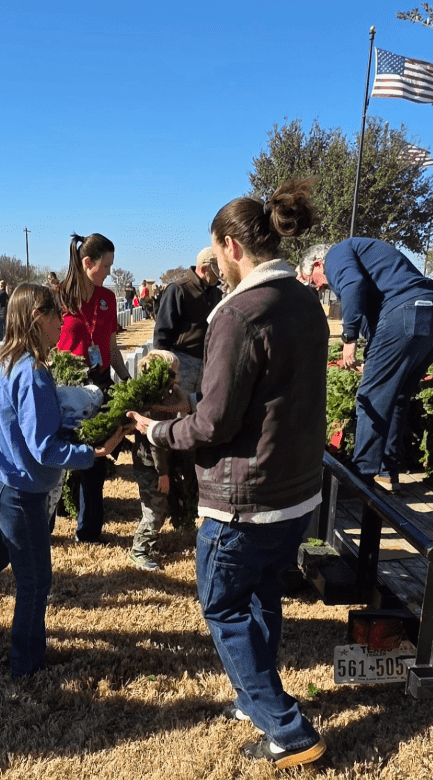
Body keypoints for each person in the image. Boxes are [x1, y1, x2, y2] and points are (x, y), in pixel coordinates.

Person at [128, 178, 330, 770]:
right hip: (295, 490)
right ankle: (252, 700)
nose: (216, 266)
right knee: (262, 594)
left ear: (231, 245)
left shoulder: (241, 313)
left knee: (223, 606)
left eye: (216, 255)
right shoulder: (303, 300)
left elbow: (213, 423)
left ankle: (288, 729)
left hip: (247, 496)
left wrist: (159, 431)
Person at [0, 283, 125, 678]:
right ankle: (26, 664)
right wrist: (92, 453)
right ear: (36, 318)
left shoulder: (7, 359)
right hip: (17, 489)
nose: (62, 321)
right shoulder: (31, 371)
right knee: (35, 579)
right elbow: (44, 447)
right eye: (55, 314)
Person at [320, 237, 433, 492]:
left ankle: (360, 480)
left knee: (371, 396)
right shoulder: (368, 258)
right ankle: (386, 473)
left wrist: (349, 337)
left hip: (407, 310)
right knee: (398, 395)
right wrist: (374, 353)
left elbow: (352, 284)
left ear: (317, 263)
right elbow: (377, 313)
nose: (322, 284)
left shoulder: (335, 253)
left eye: (314, 279)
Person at [56, 232, 131, 543]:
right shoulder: (59, 297)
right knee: (58, 458)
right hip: (66, 387)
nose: (110, 272)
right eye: (106, 265)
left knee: (95, 461)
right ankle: (51, 515)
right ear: (87, 263)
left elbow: (110, 344)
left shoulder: (107, 298)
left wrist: (125, 379)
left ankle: (89, 531)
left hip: (99, 383)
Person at [127, 350, 181, 571]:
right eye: (175, 373)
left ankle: (147, 546)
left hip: (151, 464)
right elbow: (155, 443)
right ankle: (139, 552)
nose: (179, 377)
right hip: (151, 465)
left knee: (157, 508)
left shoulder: (160, 396)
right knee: (154, 512)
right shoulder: (155, 403)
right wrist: (163, 474)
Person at [153, 247, 223, 396]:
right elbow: (162, 330)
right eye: (215, 272)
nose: (220, 276)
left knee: (198, 412)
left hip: (205, 362)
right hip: (181, 362)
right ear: (204, 269)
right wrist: (163, 366)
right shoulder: (178, 289)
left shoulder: (217, 293)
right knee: (175, 408)